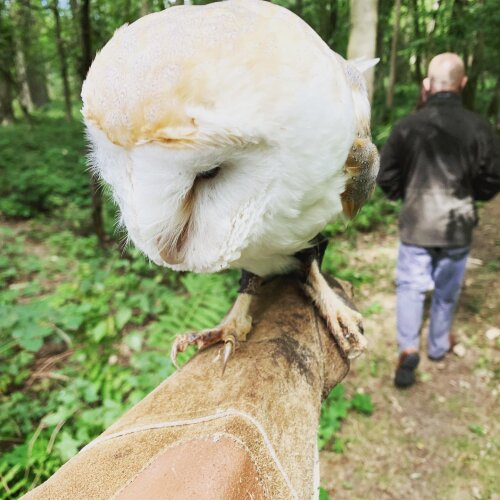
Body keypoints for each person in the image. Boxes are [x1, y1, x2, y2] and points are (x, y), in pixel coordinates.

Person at [377, 52, 500, 388]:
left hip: (417, 223)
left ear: (427, 85)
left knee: (410, 287)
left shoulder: (407, 126)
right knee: (446, 292)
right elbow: (493, 178)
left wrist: (407, 195)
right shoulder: (479, 127)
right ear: (462, 84)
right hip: (458, 226)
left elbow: (384, 175)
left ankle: (408, 347)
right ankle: (437, 345)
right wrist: (472, 195)